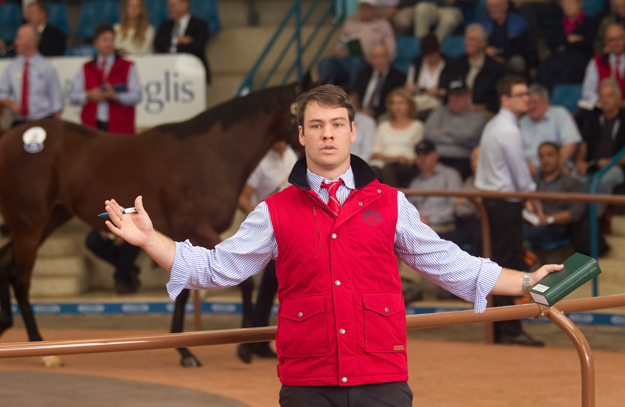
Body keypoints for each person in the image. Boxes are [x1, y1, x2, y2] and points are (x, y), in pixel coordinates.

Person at [102, 84, 562, 405]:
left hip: (381, 377)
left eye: (337, 124)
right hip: (309, 385)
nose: (327, 133)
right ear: (300, 136)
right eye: (316, 125)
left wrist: (527, 280)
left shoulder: (391, 203)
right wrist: (149, 239)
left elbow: (448, 263)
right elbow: (210, 268)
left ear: (352, 132)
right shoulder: (273, 210)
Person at [475, 75, 546, 346]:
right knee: (507, 266)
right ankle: (509, 328)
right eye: (520, 94)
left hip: (494, 202)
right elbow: (520, 173)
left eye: (527, 93)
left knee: (498, 264)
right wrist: (532, 197)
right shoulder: (508, 129)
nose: (526, 98)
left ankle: (501, 327)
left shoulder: (494, 125)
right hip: (505, 204)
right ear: (505, 99)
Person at [236, 140, 299, 363]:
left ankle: (258, 340)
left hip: (296, 224)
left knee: (270, 285)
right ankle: (260, 340)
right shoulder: (260, 163)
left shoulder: (292, 154)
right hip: (275, 228)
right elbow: (243, 197)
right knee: (276, 280)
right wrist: (262, 218)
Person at [70, 24, 142, 134]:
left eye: (111, 40)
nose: (109, 44)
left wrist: (116, 96)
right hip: (92, 127)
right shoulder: (86, 68)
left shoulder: (127, 66)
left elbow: (137, 96)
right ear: (96, 43)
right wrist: (89, 95)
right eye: (104, 40)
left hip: (119, 128)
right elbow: (73, 97)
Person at [318, 0, 396, 87]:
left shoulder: (383, 25)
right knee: (325, 62)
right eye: (363, 7)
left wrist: (374, 57)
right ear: (359, 8)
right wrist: (339, 52)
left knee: (356, 61)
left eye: (369, 7)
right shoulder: (349, 23)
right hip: (346, 59)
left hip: (367, 61)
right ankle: (326, 96)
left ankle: (352, 95)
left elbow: (391, 51)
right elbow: (337, 48)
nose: (365, 10)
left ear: (376, 9)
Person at [575, 79, 625, 217]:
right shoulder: (592, 118)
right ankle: (579, 217)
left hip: (617, 167)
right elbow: (583, 146)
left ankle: (594, 220)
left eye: (609, 95)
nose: (605, 99)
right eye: (602, 96)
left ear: (618, 98)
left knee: (604, 180)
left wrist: (611, 162)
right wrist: (579, 162)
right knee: (575, 178)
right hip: (593, 164)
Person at [524, 142, 586, 250]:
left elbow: (575, 212)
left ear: (559, 156)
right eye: (541, 156)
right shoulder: (532, 180)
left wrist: (548, 219)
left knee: (523, 234)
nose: (545, 160)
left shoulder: (572, 182)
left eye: (549, 155)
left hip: (555, 227)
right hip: (530, 221)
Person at [0, 24, 63, 128]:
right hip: (19, 123)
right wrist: (10, 104)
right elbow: (2, 93)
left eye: (19, 38)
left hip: (43, 122)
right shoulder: (12, 67)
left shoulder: (46, 67)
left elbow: (56, 102)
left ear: (31, 42)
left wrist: (57, 128)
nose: (15, 42)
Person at [535, 0, 597, 92]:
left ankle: (560, 98)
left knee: (567, 70)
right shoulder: (559, 23)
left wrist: (563, 44)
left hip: (578, 58)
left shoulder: (589, 22)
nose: (569, 7)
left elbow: (587, 44)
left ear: (579, 4)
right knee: (544, 68)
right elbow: (550, 42)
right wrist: (569, 40)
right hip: (558, 58)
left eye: (571, 3)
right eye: (566, 4)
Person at [423, 79, 485, 179]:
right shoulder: (439, 112)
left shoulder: (477, 118)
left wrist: (444, 130)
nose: (455, 99)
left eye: (460, 95)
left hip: (461, 161)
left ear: (469, 96)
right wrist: (453, 140)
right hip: (437, 159)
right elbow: (429, 133)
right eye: (452, 95)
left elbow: (467, 136)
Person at [520, 83, 582, 176]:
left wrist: (554, 167)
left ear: (546, 102)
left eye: (535, 102)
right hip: (528, 172)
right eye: (529, 103)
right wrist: (527, 166)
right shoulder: (521, 122)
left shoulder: (560, 114)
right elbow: (516, 151)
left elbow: (571, 143)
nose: (531, 106)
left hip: (558, 169)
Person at [370, 87, 423, 186]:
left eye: (401, 103)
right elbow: (375, 153)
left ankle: (393, 201)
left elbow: (419, 155)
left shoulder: (417, 126)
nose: (397, 107)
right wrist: (394, 158)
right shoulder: (383, 126)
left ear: (409, 105)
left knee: (388, 170)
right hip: (384, 162)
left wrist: (405, 159)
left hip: (406, 165)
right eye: (393, 103)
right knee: (372, 171)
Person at [448, 23, 505, 115]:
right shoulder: (458, 63)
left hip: (481, 110)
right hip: (457, 107)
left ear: (483, 44)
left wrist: (484, 106)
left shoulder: (494, 68)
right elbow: (451, 87)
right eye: (466, 39)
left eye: (472, 39)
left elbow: (497, 98)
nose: (467, 42)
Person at [154, 0, 210, 82]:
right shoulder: (164, 27)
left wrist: (172, 48)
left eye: (173, 5)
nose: (170, 8)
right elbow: (158, 43)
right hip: (168, 76)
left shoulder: (200, 25)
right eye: (169, 5)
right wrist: (177, 40)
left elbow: (198, 47)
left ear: (185, 4)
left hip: (194, 74)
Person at [407, 140, 462, 232]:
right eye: (419, 156)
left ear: (435, 155)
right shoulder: (415, 181)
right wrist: (417, 219)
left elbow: (454, 207)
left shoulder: (450, 175)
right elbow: (409, 207)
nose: (422, 159)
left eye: (425, 155)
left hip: (443, 225)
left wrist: (430, 220)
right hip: (418, 226)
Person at [481, 0, 533, 75]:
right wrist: (486, 50)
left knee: (517, 62)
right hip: (490, 59)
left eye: (495, 6)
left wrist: (504, 57)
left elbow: (524, 49)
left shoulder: (519, 23)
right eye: (490, 6)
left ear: (505, 5)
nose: (492, 10)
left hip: (511, 58)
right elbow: (480, 46)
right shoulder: (485, 25)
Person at [354, 44, 406, 119]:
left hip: (384, 115)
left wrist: (373, 112)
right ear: (370, 59)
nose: (379, 60)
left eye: (382, 56)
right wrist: (360, 110)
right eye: (375, 57)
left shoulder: (399, 78)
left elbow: (394, 102)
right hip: (360, 113)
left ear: (389, 58)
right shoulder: (363, 76)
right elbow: (355, 97)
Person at [404, 33, 451, 115]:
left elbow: (452, 89)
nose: (429, 58)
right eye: (426, 56)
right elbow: (408, 84)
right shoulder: (416, 63)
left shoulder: (449, 64)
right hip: (418, 100)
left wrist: (439, 92)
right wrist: (411, 88)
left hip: (439, 103)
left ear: (438, 51)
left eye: (432, 55)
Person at [581, 23, 625, 106]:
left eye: (619, 38)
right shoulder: (596, 62)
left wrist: (621, 104)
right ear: (606, 42)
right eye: (612, 40)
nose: (616, 43)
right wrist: (604, 102)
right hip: (602, 110)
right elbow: (587, 92)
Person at [85, 230, 142, 294]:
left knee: (136, 239)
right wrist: (101, 229)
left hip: (130, 229)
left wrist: (123, 235)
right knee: (92, 241)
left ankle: (121, 278)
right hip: (106, 228)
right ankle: (128, 269)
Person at [344, 86, 376, 163]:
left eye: (352, 104)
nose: (348, 108)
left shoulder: (368, 122)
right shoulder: (331, 121)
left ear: (358, 104)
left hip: (358, 165)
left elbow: (367, 152)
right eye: (345, 105)